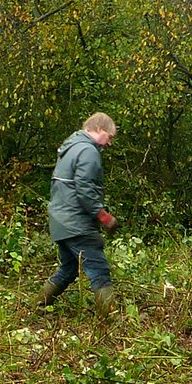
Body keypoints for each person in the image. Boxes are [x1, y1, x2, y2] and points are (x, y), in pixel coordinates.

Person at [40, 112, 118, 321]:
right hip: (76, 222)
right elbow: (84, 188)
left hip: (60, 221)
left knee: (69, 268)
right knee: (99, 269)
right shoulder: (87, 151)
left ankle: (37, 306)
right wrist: (102, 216)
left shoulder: (70, 147)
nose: (109, 143)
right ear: (100, 130)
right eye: (109, 137)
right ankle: (110, 321)